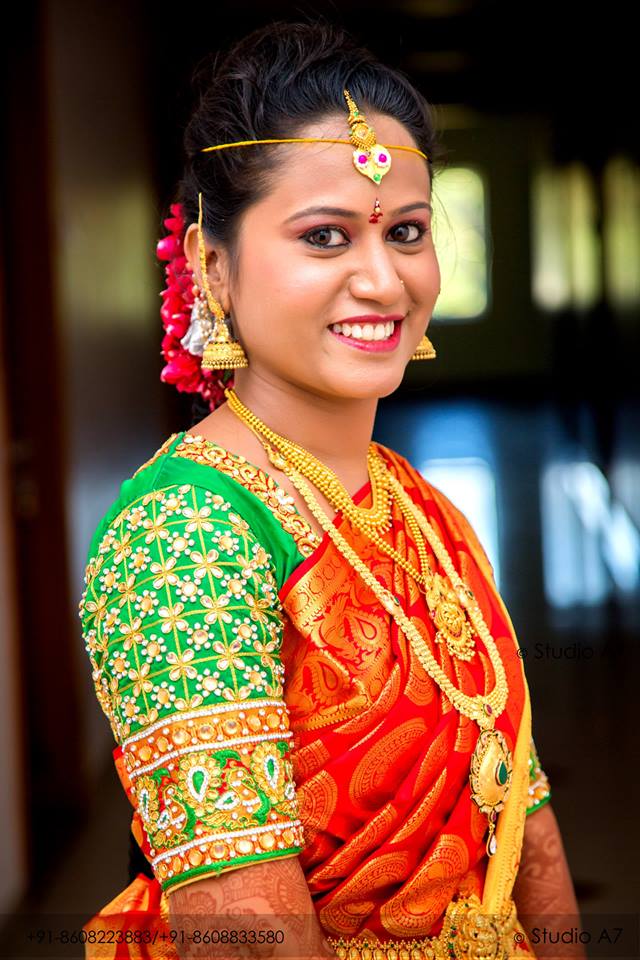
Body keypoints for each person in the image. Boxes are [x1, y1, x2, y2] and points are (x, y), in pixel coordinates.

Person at [77, 20, 583, 960]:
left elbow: (521, 803)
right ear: (211, 266)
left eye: (406, 233)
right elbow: (247, 932)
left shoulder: (418, 506)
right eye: (325, 237)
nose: (383, 278)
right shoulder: (185, 536)